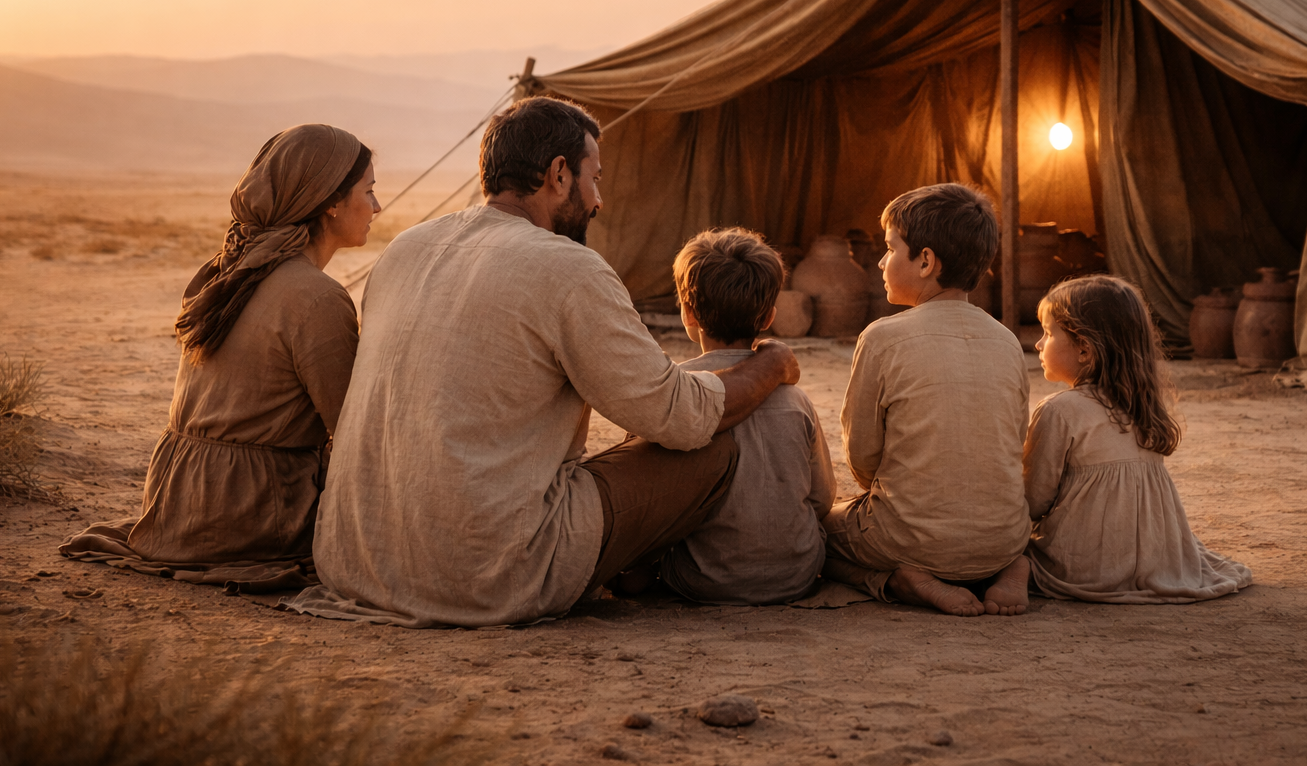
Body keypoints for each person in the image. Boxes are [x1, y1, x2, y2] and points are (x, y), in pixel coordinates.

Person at [285, 96, 800, 628]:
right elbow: (675, 415)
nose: (598, 200)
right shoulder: (569, 267)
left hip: (356, 558)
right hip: (486, 573)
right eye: (593, 178)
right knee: (710, 448)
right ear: (558, 174)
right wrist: (772, 365)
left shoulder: (406, 248)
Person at [61, 124, 378, 591]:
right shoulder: (316, 298)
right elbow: (350, 429)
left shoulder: (229, 271)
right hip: (252, 511)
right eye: (368, 192)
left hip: (177, 501)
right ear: (330, 202)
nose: (377, 207)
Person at [822, 183, 1032, 617]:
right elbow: (1010, 443)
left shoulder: (882, 337)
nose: (880, 262)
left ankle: (900, 582)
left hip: (907, 540)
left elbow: (863, 457)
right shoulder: (1009, 341)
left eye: (889, 248)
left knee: (817, 531)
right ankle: (1013, 568)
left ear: (925, 261)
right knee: (983, 533)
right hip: (1003, 538)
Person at [1024, 275, 1252, 603]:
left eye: (1047, 333)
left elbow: (1034, 500)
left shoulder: (1060, 410)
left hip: (1083, 566)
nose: (1038, 345)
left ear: (1085, 348)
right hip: (1156, 558)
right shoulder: (1141, 405)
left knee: (999, 553)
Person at [653, 228, 836, 605]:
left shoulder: (675, 393)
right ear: (769, 316)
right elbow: (821, 499)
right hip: (798, 576)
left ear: (688, 314)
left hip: (703, 579)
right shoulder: (796, 400)